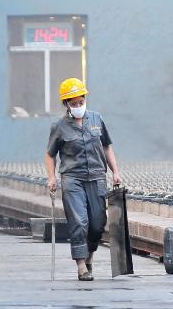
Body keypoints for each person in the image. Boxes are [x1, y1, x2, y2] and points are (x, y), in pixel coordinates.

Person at [45, 78, 122, 281]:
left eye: (81, 102)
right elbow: (50, 154)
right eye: (74, 103)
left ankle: (89, 257)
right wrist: (52, 177)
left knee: (97, 223)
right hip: (73, 178)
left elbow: (107, 146)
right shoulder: (59, 127)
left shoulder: (97, 119)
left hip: (97, 176)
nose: (78, 106)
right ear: (67, 105)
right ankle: (81, 265)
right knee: (80, 221)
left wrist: (115, 171)